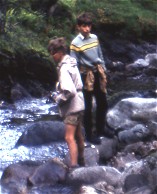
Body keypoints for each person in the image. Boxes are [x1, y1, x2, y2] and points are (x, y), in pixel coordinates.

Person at [70, 12, 114, 144]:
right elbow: (74, 63)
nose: (87, 29)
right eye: (84, 26)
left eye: (88, 26)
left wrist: (104, 70)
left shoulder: (94, 38)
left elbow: (100, 54)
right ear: (78, 27)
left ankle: (100, 129)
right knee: (88, 107)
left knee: (103, 103)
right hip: (85, 76)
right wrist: (77, 82)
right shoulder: (75, 43)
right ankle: (89, 134)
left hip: (97, 72)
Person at [48, 37, 85, 168]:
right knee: (79, 135)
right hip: (81, 103)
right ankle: (82, 161)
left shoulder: (64, 69)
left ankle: (74, 167)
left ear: (59, 52)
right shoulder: (72, 63)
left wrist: (58, 98)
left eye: (53, 53)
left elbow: (69, 91)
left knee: (69, 137)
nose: (52, 56)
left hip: (73, 107)